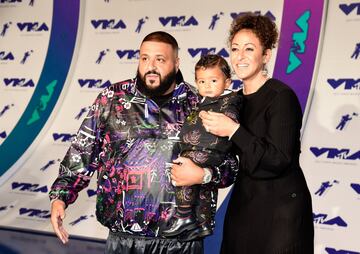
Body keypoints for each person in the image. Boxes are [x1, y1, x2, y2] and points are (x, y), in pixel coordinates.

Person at [49, 31, 238, 254]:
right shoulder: (113, 99)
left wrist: (204, 175)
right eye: (145, 58)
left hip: (181, 241)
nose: (151, 66)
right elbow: (82, 151)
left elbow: (230, 167)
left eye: (160, 59)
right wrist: (60, 197)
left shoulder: (201, 104)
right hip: (124, 237)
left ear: (176, 63)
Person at [199, 14, 314, 253]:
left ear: (266, 55)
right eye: (235, 48)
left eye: (249, 49)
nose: (240, 56)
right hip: (244, 204)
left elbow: (278, 158)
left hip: (280, 211)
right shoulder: (233, 101)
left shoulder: (281, 97)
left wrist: (233, 130)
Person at [162, 54, 240, 239]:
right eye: (202, 81)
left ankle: (184, 216)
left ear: (227, 82)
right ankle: (202, 223)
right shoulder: (198, 101)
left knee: (184, 173)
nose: (207, 85)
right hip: (197, 149)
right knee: (201, 188)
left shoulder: (231, 101)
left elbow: (231, 120)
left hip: (211, 149)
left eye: (213, 80)